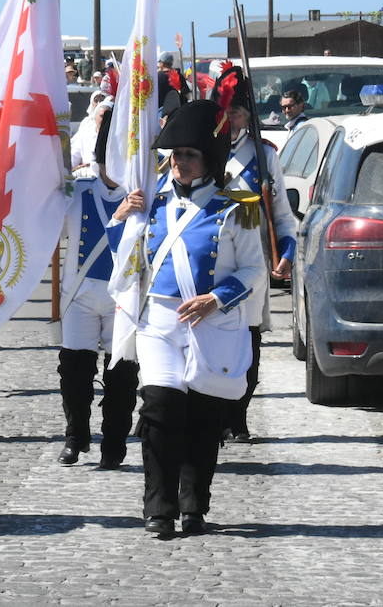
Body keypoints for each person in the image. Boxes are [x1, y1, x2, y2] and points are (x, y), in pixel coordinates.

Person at [113, 99, 265, 537]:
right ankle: (158, 508)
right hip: (158, 320)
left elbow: (254, 270)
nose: (179, 162)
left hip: (210, 322)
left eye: (189, 154)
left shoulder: (238, 208)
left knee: (203, 416)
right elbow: (120, 261)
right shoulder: (149, 203)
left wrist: (216, 299)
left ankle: (194, 504)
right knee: (160, 408)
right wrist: (122, 219)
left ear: (210, 159)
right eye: (175, 155)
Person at [214, 68, 297, 443]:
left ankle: (238, 416)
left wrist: (287, 248)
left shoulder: (264, 156)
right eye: (226, 112)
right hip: (210, 260)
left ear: (249, 115)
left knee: (247, 339)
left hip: (252, 260)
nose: (232, 120)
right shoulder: (203, 154)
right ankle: (207, 412)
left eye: (238, 113)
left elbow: (281, 212)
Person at [56, 108, 138, 468]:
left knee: (121, 376)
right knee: (74, 373)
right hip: (79, 295)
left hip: (122, 298)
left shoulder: (141, 196)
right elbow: (49, 225)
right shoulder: (76, 190)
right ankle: (75, 436)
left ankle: (114, 443)